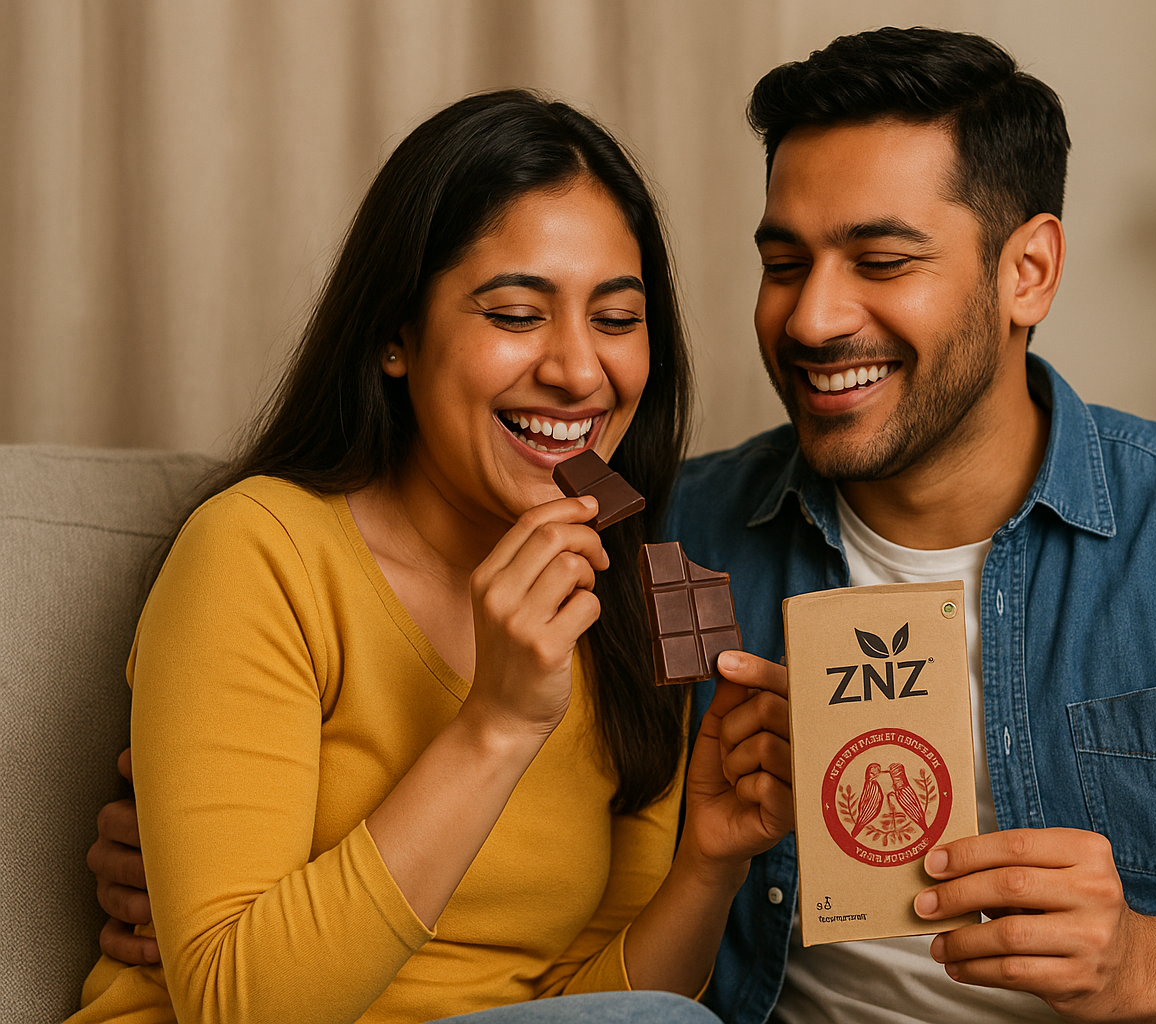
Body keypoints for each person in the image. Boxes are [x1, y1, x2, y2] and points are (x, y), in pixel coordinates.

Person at [92, 27, 1156, 1024]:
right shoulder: (670, 545)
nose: (810, 318)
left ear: (1027, 270)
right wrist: (174, 834)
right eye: (784, 260)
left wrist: (1155, 964)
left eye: (882, 260)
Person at [73, 88, 792, 1024]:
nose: (580, 371)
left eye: (617, 319)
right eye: (517, 314)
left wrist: (707, 865)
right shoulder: (261, 553)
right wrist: (495, 724)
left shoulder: (633, 605)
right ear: (394, 336)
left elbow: (589, 1007)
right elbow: (235, 1007)